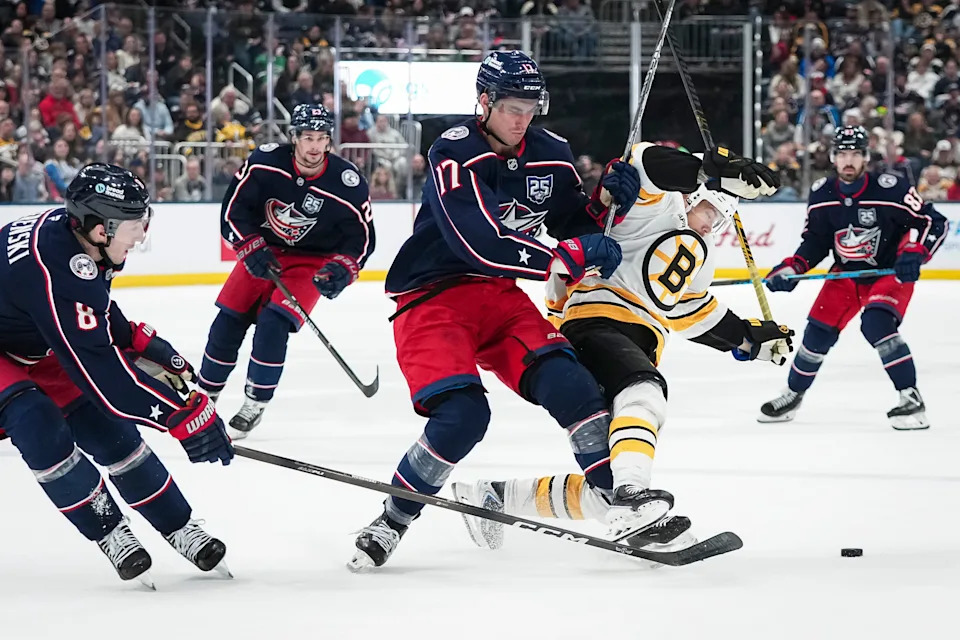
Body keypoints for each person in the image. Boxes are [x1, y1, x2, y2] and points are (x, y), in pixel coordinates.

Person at [348, 51, 642, 571]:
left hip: (501, 298)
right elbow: (475, 241)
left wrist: (605, 203)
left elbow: (574, 224)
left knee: (574, 387)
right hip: (432, 298)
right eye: (510, 106)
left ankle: (622, 507)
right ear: (483, 102)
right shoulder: (453, 151)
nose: (522, 118)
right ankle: (394, 517)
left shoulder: (551, 152)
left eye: (531, 106)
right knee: (463, 416)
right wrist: (560, 257)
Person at [451, 142, 788, 550]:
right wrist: (708, 166)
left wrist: (750, 339)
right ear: (692, 197)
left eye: (721, 220)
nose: (710, 225)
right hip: (596, 323)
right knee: (644, 392)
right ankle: (633, 498)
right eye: (709, 212)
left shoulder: (700, 254)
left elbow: (691, 312)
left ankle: (494, 497)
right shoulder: (653, 208)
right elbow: (645, 159)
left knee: (604, 484)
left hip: (636, 340)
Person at [0, 164, 233, 587]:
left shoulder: (80, 243)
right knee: (37, 423)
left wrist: (134, 339)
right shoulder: (57, 269)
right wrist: (182, 412)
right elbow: (106, 378)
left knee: (107, 429)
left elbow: (89, 306)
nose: (141, 234)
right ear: (99, 227)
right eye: (132, 224)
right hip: (10, 351)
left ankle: (177, 524)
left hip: (36, 337)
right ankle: (109, 529)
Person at [197, 104, 374, 439]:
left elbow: (362, 240)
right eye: (308, 137)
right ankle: (205, 396)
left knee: (273, 325)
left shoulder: (346, 183)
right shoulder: (264, 162)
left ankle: (254, 403)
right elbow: (233, 210)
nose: (314, 146)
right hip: (262, 251)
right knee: (228, 322)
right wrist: (249, 245)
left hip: (310, 263)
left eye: (321, 138)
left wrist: (341, 270)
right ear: (293, 137)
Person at [758, 126, 948, 430]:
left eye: (856, 154)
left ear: (866, 157)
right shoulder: (822, 194)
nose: (849, 160)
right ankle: (793, 394)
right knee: (816, 335)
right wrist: (794, 267)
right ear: (833, 157)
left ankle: (911, 398)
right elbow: (816, 241)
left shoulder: (891, 188)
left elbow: (933, 221)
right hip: (846, 273)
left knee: (876, 323)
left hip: (889, 272)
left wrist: (916, 252)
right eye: (843, 154)